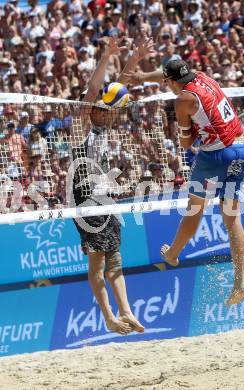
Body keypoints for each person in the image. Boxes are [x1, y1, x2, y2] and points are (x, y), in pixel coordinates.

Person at [130, 60, 244, 305]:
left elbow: (185, 144)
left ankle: (173, 254)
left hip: (216, 155)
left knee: (194, 209)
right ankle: (240, 282)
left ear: (171, 82)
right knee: (232, 218)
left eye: (166, 82)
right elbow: (168, 75)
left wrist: (193, 129)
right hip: (241, 149)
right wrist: (141, 77)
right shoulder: (203, 76)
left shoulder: (183, 99)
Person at [70, 37, 152, 335]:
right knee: (97, 265)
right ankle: (108, 316)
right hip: (86, 201)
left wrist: (135, 57)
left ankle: (126, 311)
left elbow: (122, 84)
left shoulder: (104, 123)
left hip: (106, 200)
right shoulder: (80, 127)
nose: (108, 110)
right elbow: (94, 90)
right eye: (100, 106)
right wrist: (106, 55)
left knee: (116, 260)